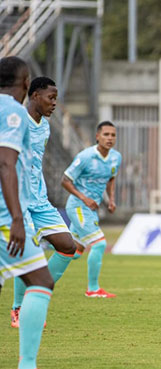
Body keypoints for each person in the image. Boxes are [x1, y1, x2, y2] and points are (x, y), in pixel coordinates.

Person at [11, 77, 79, 328]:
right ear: (35, 95)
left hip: (40, 201)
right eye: (51, 98)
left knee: (67, 246)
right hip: (18, 200)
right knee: (30, 253)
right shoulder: (16, 121)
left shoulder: (45, 127)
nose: (54, 104)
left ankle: (37, 292)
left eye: (56, 99)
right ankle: (19, 309)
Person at [0, 56, 54, 369]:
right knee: (42, 280)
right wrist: (17, 218)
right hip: (5, 217)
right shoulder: (13, 112)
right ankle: (27, 364)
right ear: (24, 83)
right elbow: (6, 163)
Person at [61, 121, 122, 298]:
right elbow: (65, 180)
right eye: (106, 134)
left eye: (113, 135)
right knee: (99, 243)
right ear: (97, 136)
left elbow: (111, 179)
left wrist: (111, 200)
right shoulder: (86, 156)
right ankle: (93, 289)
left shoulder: (116, 157)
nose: (110, 138)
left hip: (90, 209)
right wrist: (84, 198)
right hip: (78, 206)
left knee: (73, 252)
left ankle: (36, 270)